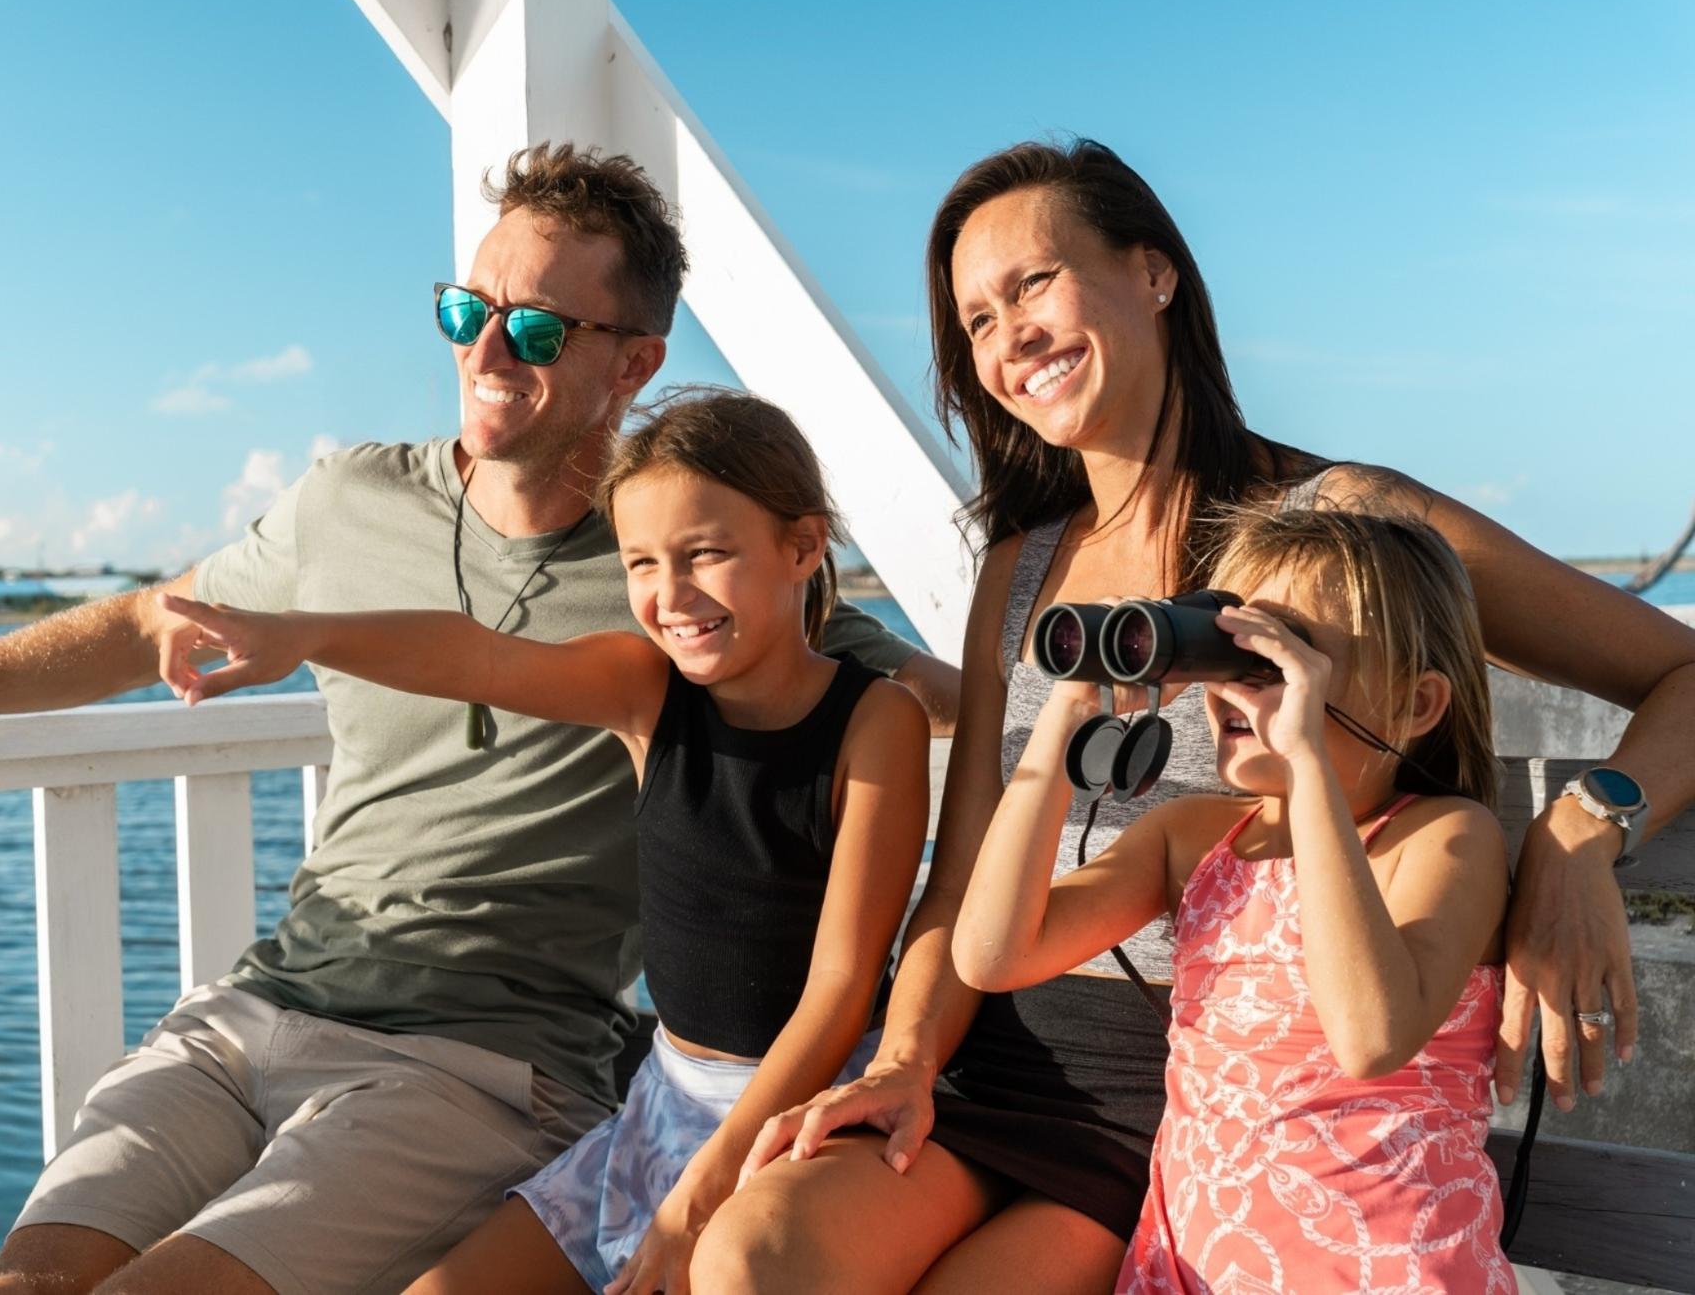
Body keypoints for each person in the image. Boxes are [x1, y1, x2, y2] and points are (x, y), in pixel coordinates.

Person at [0, 144, 958, 1295]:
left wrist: (1083, 702)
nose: (485, 352)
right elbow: (145, 623)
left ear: (633, 362)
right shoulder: (346, 500)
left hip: (480, 1064)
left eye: (532, 328)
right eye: (464, 312)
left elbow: (941, 698)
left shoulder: (697, 588)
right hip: (254, 1011)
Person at [694, 138, 1695, 1294]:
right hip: (996, 1057)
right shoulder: (1019, 570)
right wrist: (906, 1056)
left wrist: (1578, 830)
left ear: (1153, 272)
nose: (1007, 335)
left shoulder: (1340, 532)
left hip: (1195, 1097)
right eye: (974, 320)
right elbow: (961, 872)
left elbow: (1677, 671)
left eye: (1031, 283)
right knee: (755, 1257)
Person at [155, 390, 930, 1295]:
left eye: (705, 554)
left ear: (802, 546)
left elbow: (840, 988)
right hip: (660, 1107)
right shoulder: (649, 691)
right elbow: (475, 655)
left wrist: (697, 1195)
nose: (670, 595)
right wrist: (303, 634)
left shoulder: (877, 721)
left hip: (796, 1117)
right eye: (641, 562)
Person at [954, 507, 1514, 1293]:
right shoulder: (1190, 838)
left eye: (1281, 653)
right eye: (1229, 644)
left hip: (1385, 1271)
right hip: (1192, 1268)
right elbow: (993, 953)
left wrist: (1307, 757)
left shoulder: (1444, 839)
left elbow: (1370, 1037)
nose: (1238, 679)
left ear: (1416, 704)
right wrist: (1066, 713)